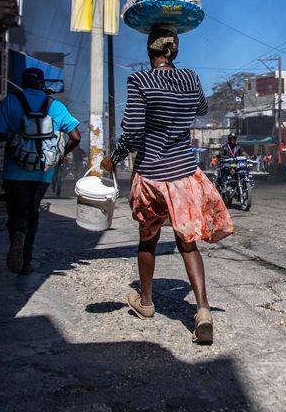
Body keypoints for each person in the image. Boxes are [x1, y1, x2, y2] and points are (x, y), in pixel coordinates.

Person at [101, 26, 234, 343]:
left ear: (150, 51)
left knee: (148, 238)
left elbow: (133, 132)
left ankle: (146, 303)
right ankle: (202, 310)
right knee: (187, 243)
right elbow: (201, 108)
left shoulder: (140, 81)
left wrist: (114, 158)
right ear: (176, 51)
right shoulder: (190, 78)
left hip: (152, 175)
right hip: (184, 175)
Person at [0, 67, 81, 274]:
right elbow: (76, 137)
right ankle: (26, 262)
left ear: (23, 83)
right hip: (42, 172)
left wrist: (18, 142)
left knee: (16, 212)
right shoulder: (56, 106)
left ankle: (17, 234)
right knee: (33, 212)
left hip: (15, 170)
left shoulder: (10, 102)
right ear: (42, 84)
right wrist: (59, 156)